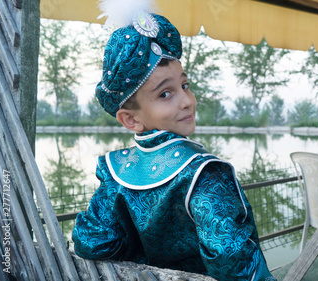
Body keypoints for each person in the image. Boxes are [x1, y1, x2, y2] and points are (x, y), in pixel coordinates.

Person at [72, 6, 276, 281]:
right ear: (130, 119)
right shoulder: (206, 173)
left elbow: (95, 242)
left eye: (185, 85)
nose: (187, 100)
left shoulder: (115, 170)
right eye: (165, 93)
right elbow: (236, 265)